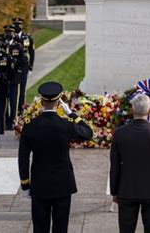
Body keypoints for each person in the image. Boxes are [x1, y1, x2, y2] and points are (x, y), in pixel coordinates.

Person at [18, 81, 93, 233]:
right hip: (63, 184)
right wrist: (71, 113)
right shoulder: (67, 124)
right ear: (59, 102)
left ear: (40, 101)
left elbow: (23, 158)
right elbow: (88, 133)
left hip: (40, 184)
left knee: (40, 228)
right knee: (61, 227)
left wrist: (25, 184)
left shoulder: (30, 125)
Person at [110, 94, 150, 233]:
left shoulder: (119, 133)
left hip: (127, 189)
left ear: (132, 110)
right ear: (149, 111)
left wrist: (114, 191)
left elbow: (115, 165)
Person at [3, 25, 26, 130]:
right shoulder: (2, 46)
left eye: (10, 33)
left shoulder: (18, 46)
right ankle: (5, 121)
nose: (8, 35)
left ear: (14, 34)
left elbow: (23, 62)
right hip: (3, 78)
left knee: (13, 101)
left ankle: (13, 120)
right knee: (4, 101)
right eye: (7, 33)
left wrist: (14, 60)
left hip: (14, 78)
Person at [12, 18, 35, 116]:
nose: (17, 26)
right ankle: (13, 111)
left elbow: (32, 52)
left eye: (19, 25)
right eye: (15, 25)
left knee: (22, 90)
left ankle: (21, 111)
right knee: (13, 91)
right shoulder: (11, 37)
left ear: (22, 26)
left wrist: (30, 67)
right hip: (13, 66)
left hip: (24, 66)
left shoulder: (27, 37)